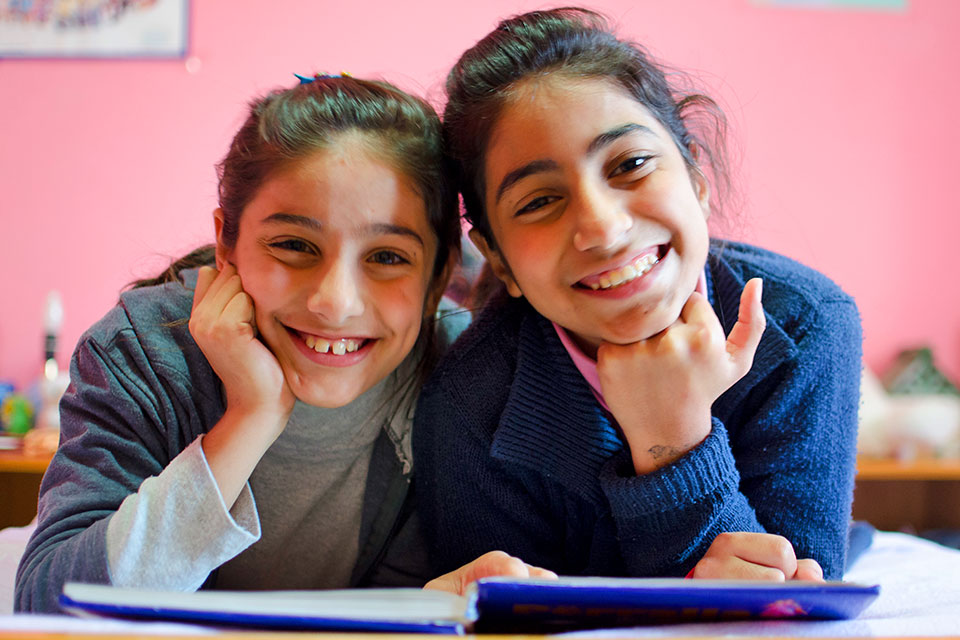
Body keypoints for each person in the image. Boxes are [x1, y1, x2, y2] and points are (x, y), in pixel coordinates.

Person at [16, 74, 550, 613]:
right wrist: (250, 418)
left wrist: (422, 603)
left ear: (438, 278)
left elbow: (396, 597)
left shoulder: (456, 376)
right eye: (294, 245)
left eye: (387, 257)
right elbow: (48, 606)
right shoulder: (141, 353)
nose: (335, 303)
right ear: (226, 246)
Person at [414, 8, 862, 582]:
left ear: (696, 178)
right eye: (539, 201)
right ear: (498, 257)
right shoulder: (468, 405)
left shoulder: (803, 324)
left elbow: (798, 595)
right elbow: (507, 608)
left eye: (631, 164)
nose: (602, 228)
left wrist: (671, 442)